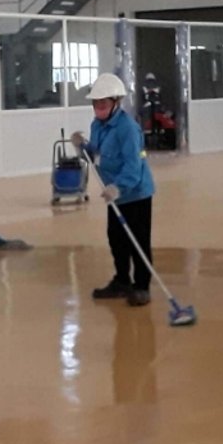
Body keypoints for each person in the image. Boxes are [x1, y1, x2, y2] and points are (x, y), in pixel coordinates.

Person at [72, 73, 156, 307]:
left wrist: (118, 187)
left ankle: (141, 287)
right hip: (113, 194)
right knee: (116, 238)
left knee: (137, 241)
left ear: (115, 103)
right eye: (96, 104)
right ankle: (122, 281)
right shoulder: (97, 125)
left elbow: (133, 165)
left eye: (103, 104)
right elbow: (95, 153)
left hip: (135, 193)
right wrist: (82, 146)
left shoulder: (128, 128)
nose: (98, 108)